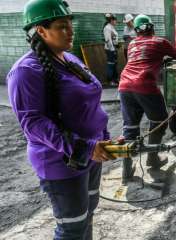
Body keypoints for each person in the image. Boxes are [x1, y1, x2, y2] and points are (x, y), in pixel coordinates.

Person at [7, 0, 115, 239]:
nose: (70, 30)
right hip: (62, 163)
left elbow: (91, 103)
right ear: (41, 31)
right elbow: (33, 124)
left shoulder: (70, 59)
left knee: (87, 214)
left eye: (70, 24)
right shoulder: (26, 71)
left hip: (91, 154)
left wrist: (103, 139)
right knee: (72, 227)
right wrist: (84, 147)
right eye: (61, 26)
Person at [118, 14, 176, 184]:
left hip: (124, 86)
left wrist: (160, 61)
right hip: (144, 85)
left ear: (137, 30)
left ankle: (126, 170)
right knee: (160, 120)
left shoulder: (132, 43)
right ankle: (152, 158)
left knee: (130, 127)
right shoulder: (159, 42)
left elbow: (138, 61)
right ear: (152, 28)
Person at [103, 13, 119, 86]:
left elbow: (114, 38)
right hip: (110, 50)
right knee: (111, 65)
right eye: (115, 20)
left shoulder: (111, 27)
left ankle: (115, 80)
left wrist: (116, 45)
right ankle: (110, 81)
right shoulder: (107, 28)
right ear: (111, 20)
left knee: (114, 65)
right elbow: (108, 40)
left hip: (114, 48)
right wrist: (112, 50)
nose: (116, 21)